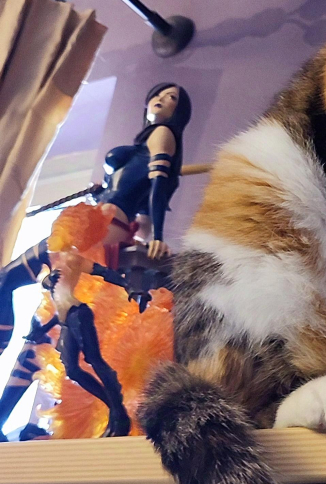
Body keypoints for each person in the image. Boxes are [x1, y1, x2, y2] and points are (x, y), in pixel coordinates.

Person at [0, 82, 190, 439]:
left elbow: (159, 189)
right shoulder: (141, 143)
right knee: (45, 325)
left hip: (96, 230)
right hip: (93, 226)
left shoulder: (163, 135)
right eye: (159, 94)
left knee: (19, 291)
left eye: (173, 99)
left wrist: (159, 238)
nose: (162, 100)